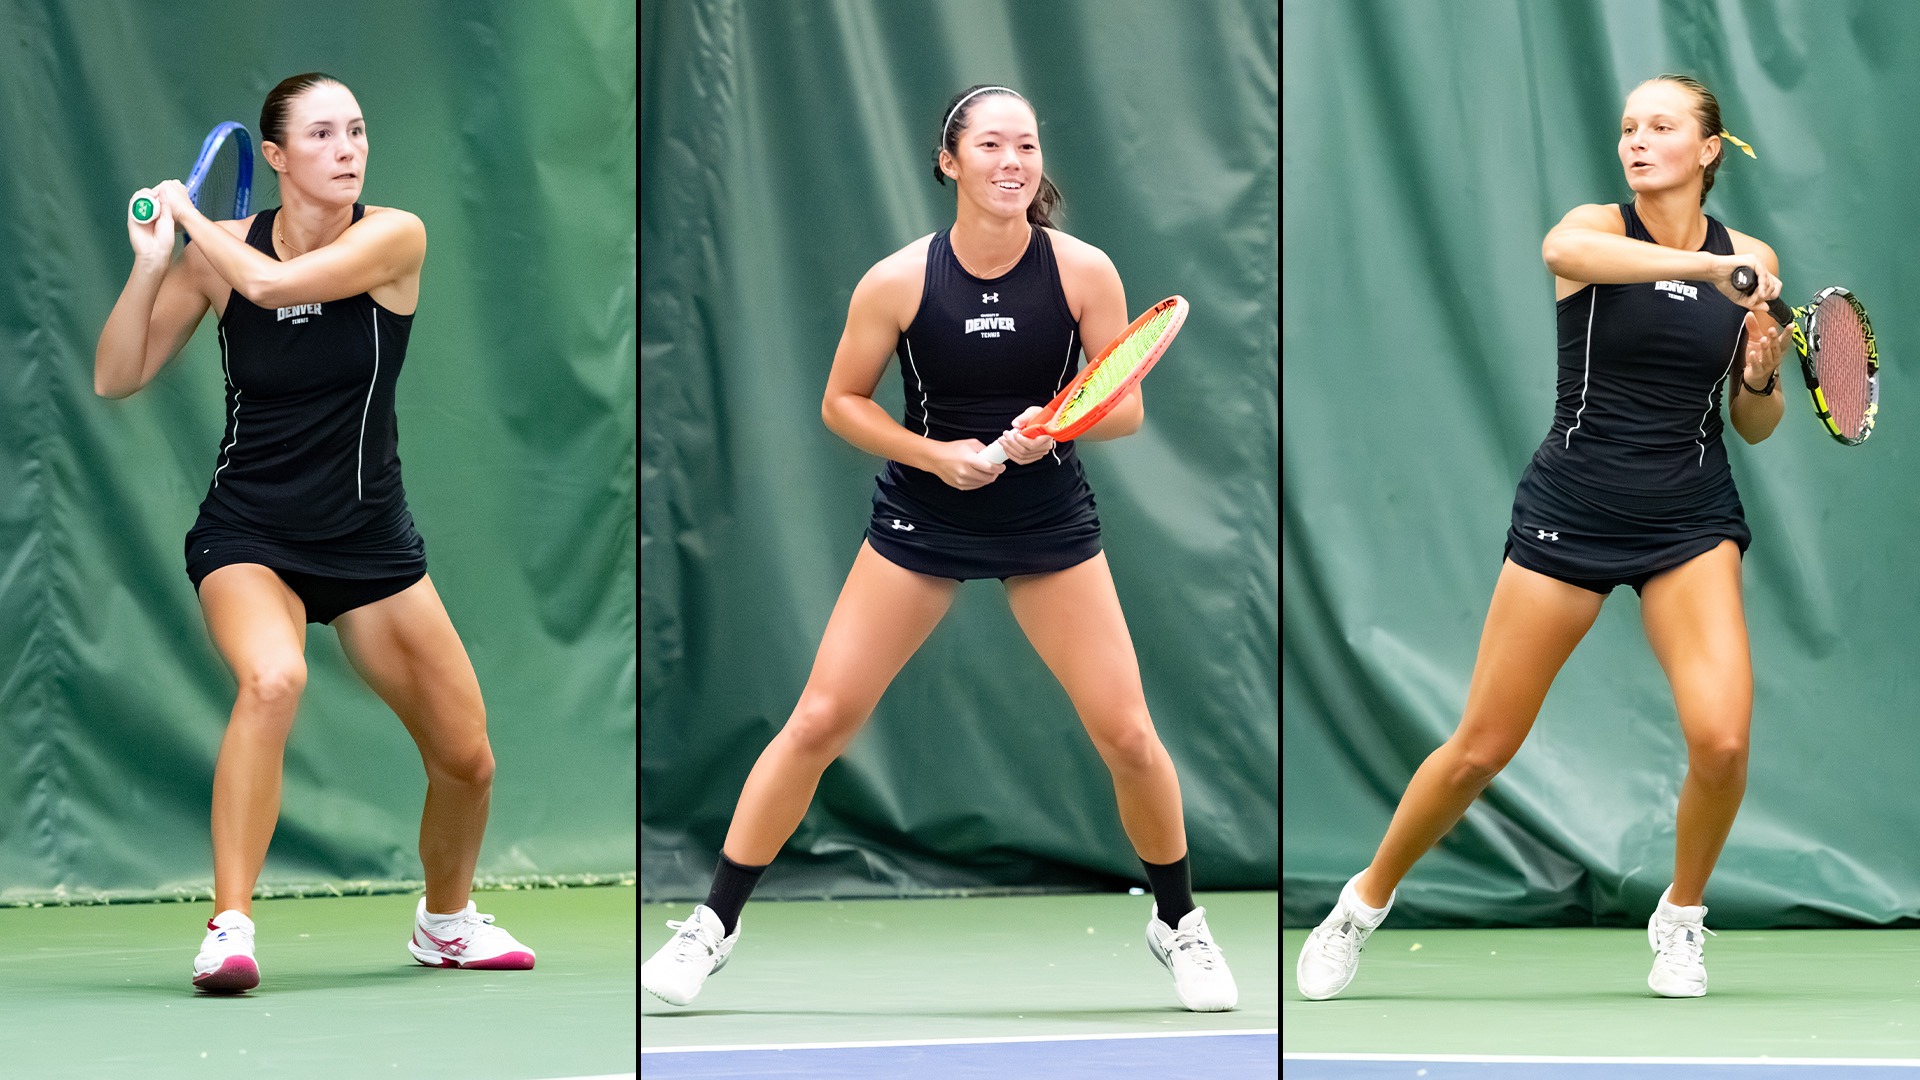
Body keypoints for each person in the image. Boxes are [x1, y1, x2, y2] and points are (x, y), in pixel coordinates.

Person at [642, 84, 1236, 1012]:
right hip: (923, 520)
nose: (1012, 162)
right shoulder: (897, 281)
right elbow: (842, 402)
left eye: (1027, 146)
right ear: (949, 162)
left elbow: (1125, 406)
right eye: (991, 145)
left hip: (1047, 523)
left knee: (1127, 733)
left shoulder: (1083, 271)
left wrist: (1057, 430)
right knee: (821, 719)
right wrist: (935, 454)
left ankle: (1180, 924)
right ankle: (710, 926)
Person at [1295, 73, 1791, 1000]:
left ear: (1710, 148)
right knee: (1481, 746)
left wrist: (1760, 377)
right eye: (1628, 128)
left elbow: (1754, 424)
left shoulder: (1753, 257)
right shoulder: (1594, 228)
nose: (1638, 142)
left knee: (1722, 742)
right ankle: (1360, 905)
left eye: (1662, 127)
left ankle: (1681, 920)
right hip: (1576, 504)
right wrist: (1703, 274)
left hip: (1690, 512)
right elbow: (1564, 248)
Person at [93, 73, 534, 993]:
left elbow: (273, 281)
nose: (348, 149)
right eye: (324, 135)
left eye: (358, 132)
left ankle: (445, 922)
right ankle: (230, 925)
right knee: (273, 677)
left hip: (370, 541)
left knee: (467, 758)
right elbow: (117, 375)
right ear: (277, 157)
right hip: (250, 533)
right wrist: (151, 262)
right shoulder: (215, 258)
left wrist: (189, 215)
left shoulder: (392, 236)